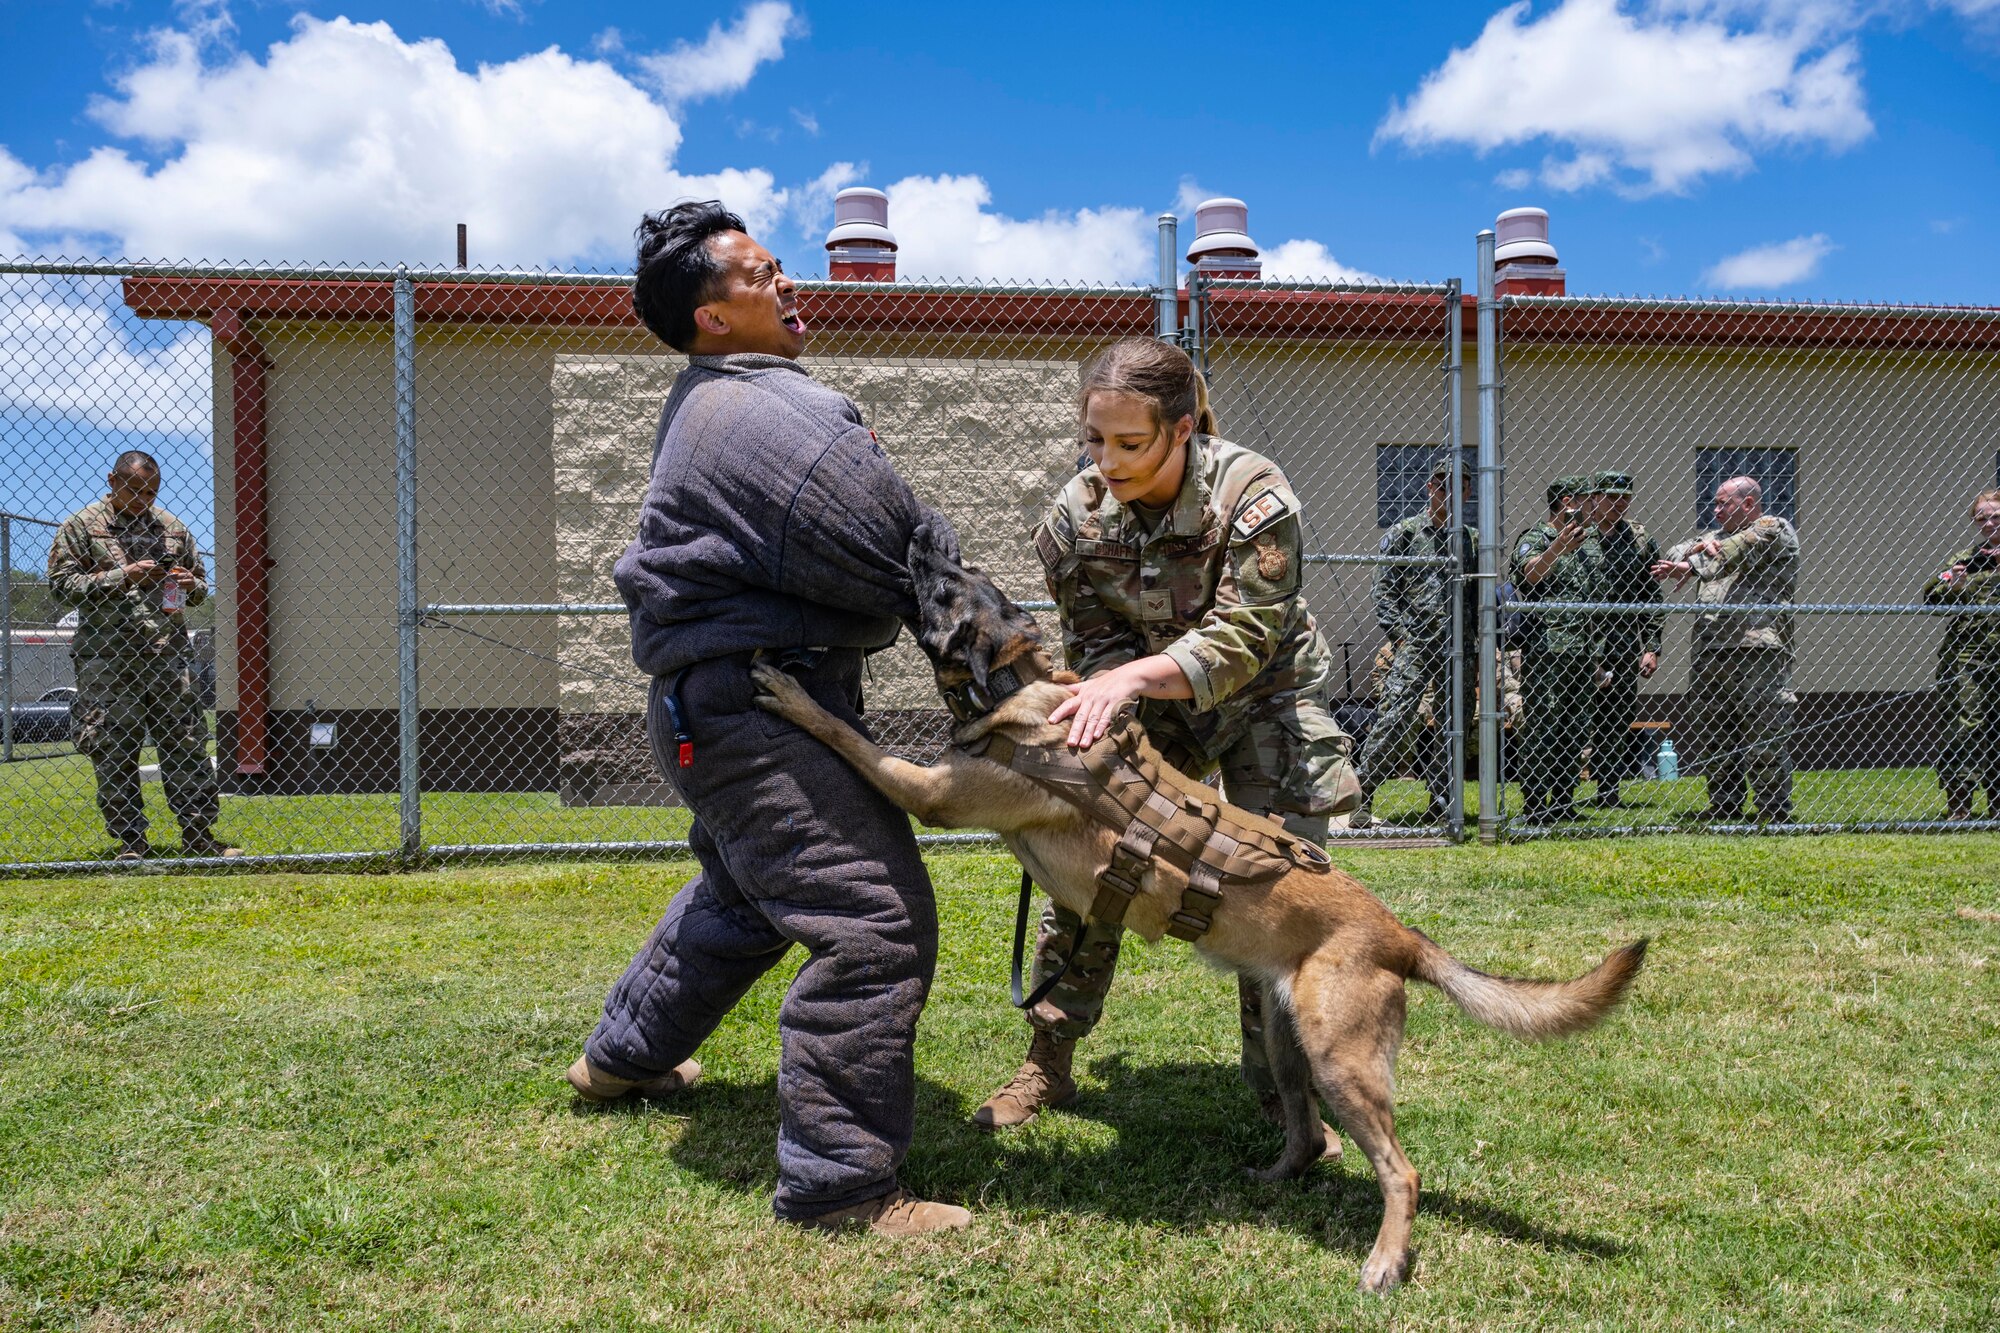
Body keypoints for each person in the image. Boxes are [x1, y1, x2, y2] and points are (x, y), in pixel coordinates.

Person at [566, 201, 968, 1237]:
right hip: (752, 705)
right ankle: (840, 1187)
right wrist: (1010, 667)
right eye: (759, 275)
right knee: (871, 922)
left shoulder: (722, 398)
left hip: (717, 702)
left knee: (746, 899)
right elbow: (899, 546)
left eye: (782, 266)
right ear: (711, 316)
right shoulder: (754, 411)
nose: (787, 283)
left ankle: (619, 1057)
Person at [975, 336, 1360, 1134]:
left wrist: (1133, 677)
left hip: (1265, 695)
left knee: (1280, 896)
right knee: (1091, 875)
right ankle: (1048, 1062)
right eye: (1093, 439)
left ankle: (1286, 1097)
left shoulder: (1254, 494)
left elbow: (1245, 635)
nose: (1106, 462)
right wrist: (1109, 696)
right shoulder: (1073, 518)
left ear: (1182, 429)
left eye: (1129, 442)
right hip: (1147, 706)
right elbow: (1095, 640)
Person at [46, 451, 237, 861]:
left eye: (151, 491)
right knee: (114, 745)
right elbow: (61, 587)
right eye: (134, 490)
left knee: (185, 741)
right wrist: (123, 576)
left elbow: (201, 587)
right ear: (112, 481)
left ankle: (199, 835)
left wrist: (189, 583)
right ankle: (131, 840)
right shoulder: (81, 527)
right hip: (108, 658)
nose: (142, 499)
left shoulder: (172, 528)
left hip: (167, 655)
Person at [1652, 475, 1800, 823]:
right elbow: (1674, 551)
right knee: (1715, 734)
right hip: (1711, 650)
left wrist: (1694, 563)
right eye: (1715, 503)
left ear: (1748, 504)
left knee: (1764, 734)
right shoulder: (1712, 537)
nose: (1716, 510)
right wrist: (1692, 553)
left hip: (1757, 649)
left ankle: (1774, 811)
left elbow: (1744, 546)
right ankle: (1724, 805)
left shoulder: (1774, 527)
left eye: (1724, 503)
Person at [1353, 456, 1475, 827]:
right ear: (1430, 488)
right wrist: (1400, 636)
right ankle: (1361, 795)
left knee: (1457, 721)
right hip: (1417, 643)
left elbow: (1474, 595)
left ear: (1468, 491)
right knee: (1397, 716)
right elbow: (1383, 590)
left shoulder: (1468, 539)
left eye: (1458, 485)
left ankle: (1442, 799)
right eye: (1442, 484)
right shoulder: (1406, 532)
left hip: (1460, 645)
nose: (1449, 491)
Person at [1508, 475, 1603, 822]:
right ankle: (1534, 803)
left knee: (1576, 727)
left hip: (1582, 649)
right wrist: (1557, 549)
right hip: (1548, 649)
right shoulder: (1536, 537)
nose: (1594, 507)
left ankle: (1563, 800)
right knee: (1542, 726)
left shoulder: (1592, 545)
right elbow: (1529, 575)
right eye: (1587, 500)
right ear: (1567, 502)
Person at [1584, 472, 1663, 808]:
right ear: (1595, 497)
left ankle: (1608, 792)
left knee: (1614, 723)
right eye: (1612, 496)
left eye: (1625, 497)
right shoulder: (1578, 536)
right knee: (1574, 719)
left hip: (1622, 646)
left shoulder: (1640, 540)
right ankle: (1560, 795)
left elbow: (1652, 597)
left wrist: (1651, 647)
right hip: (1581, 647)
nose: (1619, 504)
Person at [1923, 487, 2000, 820]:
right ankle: (1960, 802)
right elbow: (1931, 594)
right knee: (1964, 725)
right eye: (1982, 517)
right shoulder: (1966, 559)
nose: (1989, 522)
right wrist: (1953, 586)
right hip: (1969, 657)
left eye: (1995, 515)